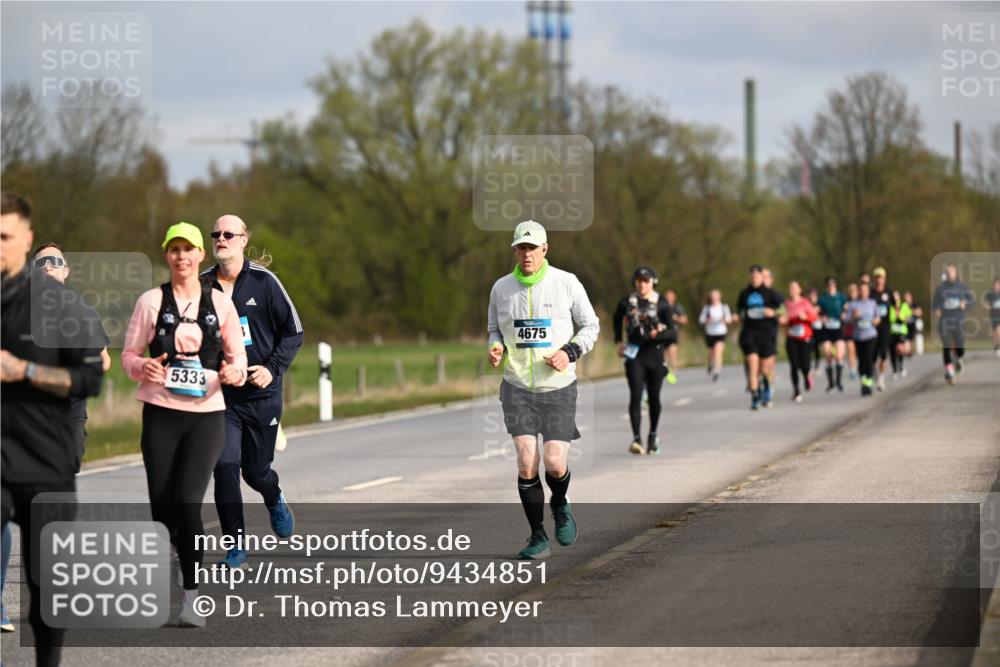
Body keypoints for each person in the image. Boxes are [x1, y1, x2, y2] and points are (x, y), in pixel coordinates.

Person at [122, 221, 247, 627]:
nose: (181, 256)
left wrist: (235, 373)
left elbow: (237, 358)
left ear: (199, 256)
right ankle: (179, 551)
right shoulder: (149, 302)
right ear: (167, 256)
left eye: (188, 249)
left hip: (207, 416)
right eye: (174, 250)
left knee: (188, 502)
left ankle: (191, 596)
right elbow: (128, 356)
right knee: (163, 507)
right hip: (160, 413)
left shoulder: (222, 305)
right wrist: (143, 366)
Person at [2, 192, 106, 664]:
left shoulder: (63, 306)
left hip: (45, 460)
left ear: (25, 237)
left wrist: (25, 372)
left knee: (47, 586)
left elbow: (90, 377)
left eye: (5, 236)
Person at [487, 220, 599, 560]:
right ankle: (537, 536)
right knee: (526, 461)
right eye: (520, 248)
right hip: (517, 386)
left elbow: (591, 325)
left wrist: (570, 352)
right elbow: (494, 329)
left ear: (544, 249)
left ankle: (561, 502)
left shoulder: (566, 283)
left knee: (553, 460)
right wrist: (496, 347)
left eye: (532, 248)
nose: (526, 255)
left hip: (558, 387)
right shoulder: (501, 288)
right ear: (514, 251)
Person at [202, 214, 303, 569]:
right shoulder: (200, 288)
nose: (221, 238)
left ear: (244, 239)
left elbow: (294, 332)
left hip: (262, 395)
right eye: (216, 234)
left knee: (255, 472)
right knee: (224, 464)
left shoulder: (265, 282)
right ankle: (235, 548)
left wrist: (271, 369)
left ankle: (273, 497)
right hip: (221, 398)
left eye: (229, 233)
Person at [32, 244, 113, 470]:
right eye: (41, 263)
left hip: (70, 409)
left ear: (65, 271)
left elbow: (104, 360)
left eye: (55, 262)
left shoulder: (84, 313)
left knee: (71, 461)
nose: (48, 267)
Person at [613, 267, 675, 455]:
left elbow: (672, 331)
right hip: (635, 354)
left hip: (655, 354)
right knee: (636, 395)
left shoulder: (661, 302)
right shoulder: (627, 302)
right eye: (639, 280)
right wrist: (618, 341)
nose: (642, 284)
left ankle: (653, 435)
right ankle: (636, 439)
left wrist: (660, 334)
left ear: (652, 282)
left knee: (654, 397)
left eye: (646, 281)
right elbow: (616, 319)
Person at [734, 265, 783, 410]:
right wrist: (737, 316)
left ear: (762, 277)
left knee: (764, 368)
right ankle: (755, 397)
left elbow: (783, 309)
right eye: (752, 276)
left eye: (757, 276)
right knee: (752, 364)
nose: (755, 278)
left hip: (766, 334)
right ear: (750, 277)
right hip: (749, 333)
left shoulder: (771, 293)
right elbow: (740, 310)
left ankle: (765, 384)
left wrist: (772, 312)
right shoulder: (744, 294)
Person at [931, 263, 976, 384]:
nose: (950, 274)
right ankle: (949, 371)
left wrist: (965, 305)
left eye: (952, 272)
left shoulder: (962, 287)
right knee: (946, 345)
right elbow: (934, 303)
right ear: (946, 274)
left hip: (959, 320)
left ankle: (958, 358)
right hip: (945, 320)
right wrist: (936, 309)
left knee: (960, 348)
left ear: (956, 274)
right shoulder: (940, 289)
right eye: (948, 272)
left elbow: (972, 300)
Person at [781, 281, 818, 402]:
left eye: (794, 287)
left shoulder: (805, 302)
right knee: (794, 364)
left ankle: (807, 376)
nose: (792, 289)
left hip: (805, 337)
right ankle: (796, 390)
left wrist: (805, 317)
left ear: (799, 290)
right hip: (791, 337)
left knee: (805, 364)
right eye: (790, 287)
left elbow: (814, 318)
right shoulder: (786, 304)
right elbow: (781, 317)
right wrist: (782, 320)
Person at [847, 281, 880, 396]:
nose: (863, 292)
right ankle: (863, 381)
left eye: (866, 290)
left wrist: (876, 321)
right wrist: (853, 316)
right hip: (858, 336)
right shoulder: (853, 304)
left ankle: (869, 383)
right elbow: (847, 320)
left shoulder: (872, 303)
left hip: (871, 335)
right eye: (861, 290)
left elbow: (877, 317)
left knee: (869, 359)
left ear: (868, 292)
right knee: (861, 361)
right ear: (858, 292)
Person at [816, 277, 847, 392]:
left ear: (836, 285)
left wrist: (845, 314)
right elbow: (816, 312)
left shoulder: (841, 297)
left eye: (833, 285)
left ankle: (839, 381)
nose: (831, 287)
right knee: (828, 355)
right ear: (826, 286)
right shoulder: (823, 299)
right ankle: (830, 383)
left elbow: (847, 308)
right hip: (826, 330)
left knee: (839, 355)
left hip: (838, 329)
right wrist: (821, 318)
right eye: (829, 285)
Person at [759, 267, 784, 406]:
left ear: (771, 279)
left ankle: (769, 389)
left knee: (768, 365)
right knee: (757, 365)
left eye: (766, 277)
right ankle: (760, 388)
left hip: (770, 333)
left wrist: (773, 313)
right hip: (754, 334)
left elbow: (783, 310)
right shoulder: (753, 295)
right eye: (761, 276)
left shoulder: (775, 295)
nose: (763, 279)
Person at [698, 289, 732, 382]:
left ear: (719, 297)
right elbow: (701, 320)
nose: (714, 298)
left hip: (721, 332)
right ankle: (710, 364)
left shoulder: (724, 307)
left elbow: (729, 319)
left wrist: (723, 320)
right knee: (711, 353)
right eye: (712, 297)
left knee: (718, 352)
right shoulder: (707, 308)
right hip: (710, 333)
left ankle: (717, 372)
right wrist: (707, 321)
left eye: (716, 296)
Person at [870, 267, 893, 391]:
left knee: (883, 353)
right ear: (874, 279)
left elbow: (897, 306)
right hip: (872, 327)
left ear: (884, 279)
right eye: (877, 277)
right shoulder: (870, 293)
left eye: (881, 277)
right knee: (873, 354)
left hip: (885, 326)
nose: (879, 280)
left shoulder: (889, 293)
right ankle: (874, 372)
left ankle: (881, 379)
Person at [662, 288, 686, 385]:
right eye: (667, 296)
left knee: (672, 353)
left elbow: (685, 320)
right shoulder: (661, 307)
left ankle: (673, 372)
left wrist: (675, 318)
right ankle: (665, 371)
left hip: (672, 333)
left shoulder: (677, 307)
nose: (669, 298)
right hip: (662, 334)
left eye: (670, 296)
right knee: (662, 356)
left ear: (674, 297)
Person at [888, 290, 913, 379]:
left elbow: (909, 316)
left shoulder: (904, 305)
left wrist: (902, 318)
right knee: (892, 351)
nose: (895, 298)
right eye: (893, 296)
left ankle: (901, 366)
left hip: (901, 331)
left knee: (899, 349)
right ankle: (894, 370)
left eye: (896, 296)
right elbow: (888, 318)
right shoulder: (889, 306)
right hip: (892, 332)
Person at [844, 282, 859, 380]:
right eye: (850, 291)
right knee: (850, 349)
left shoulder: (862, 302)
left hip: (860, 330)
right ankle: (852, 369)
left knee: (859, 351)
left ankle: (860, 367)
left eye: (854, 291)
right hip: (849, 329)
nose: (852, 293)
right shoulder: (846, 303)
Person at [807, 287, 822, 373]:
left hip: (819, 329)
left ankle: (817, 365)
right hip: (810, 329)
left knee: (816, 348)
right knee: (810, 348)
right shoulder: (807, 305)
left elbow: (824, 316)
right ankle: (810, 365)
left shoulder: (820, 305)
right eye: (811, 295)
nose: (813, 297)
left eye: (814, 295)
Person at [985, 279, 1000, 358]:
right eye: (996, 284)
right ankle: (996, 347)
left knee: (999, 331)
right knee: (994, 334)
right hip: (993, 316)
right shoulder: (990, 294)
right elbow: (986, 304)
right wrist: (988, 306)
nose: (997, 286)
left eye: (998, 284)